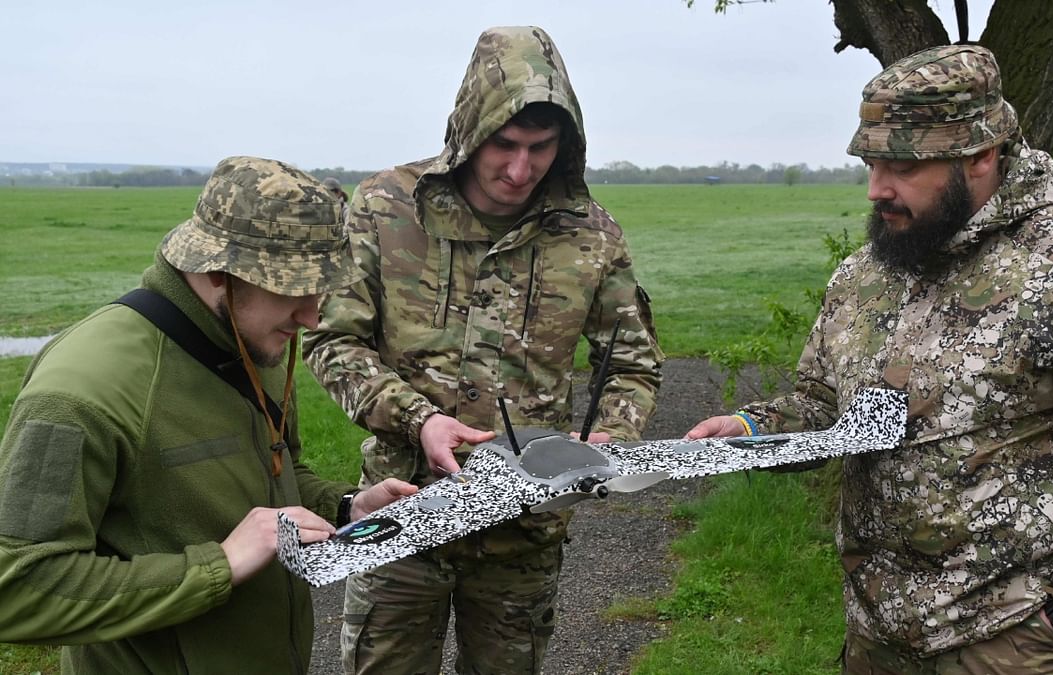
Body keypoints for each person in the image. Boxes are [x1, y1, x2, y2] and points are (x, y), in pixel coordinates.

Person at [687, 45, 1053, 673]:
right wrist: (748, 430)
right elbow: (824, 405)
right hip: (874, 638)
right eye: (872, 163)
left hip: (1015, 645)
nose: (877, 190)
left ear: (981, 154)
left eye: (902, 165)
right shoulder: (868, 273)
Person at [304, 25, 663, 674]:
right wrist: (419, 419)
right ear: (471, 126)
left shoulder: (592, 233)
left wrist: (610, 437)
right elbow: (332, 339)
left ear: (567, 142)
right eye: (505, 144)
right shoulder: (388, 208)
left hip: (524, 530)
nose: (520, 169)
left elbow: (632, 364)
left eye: (541, 147)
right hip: (404, 509)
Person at [0, 156, 418, 673]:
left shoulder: (250, 341)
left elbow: (269, 476)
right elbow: (18, 587)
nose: (311, 317)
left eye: (321, 290)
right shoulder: (81, 390)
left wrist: (345, 507)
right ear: (220, 272)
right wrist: (218, 566)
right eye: (293, 288)